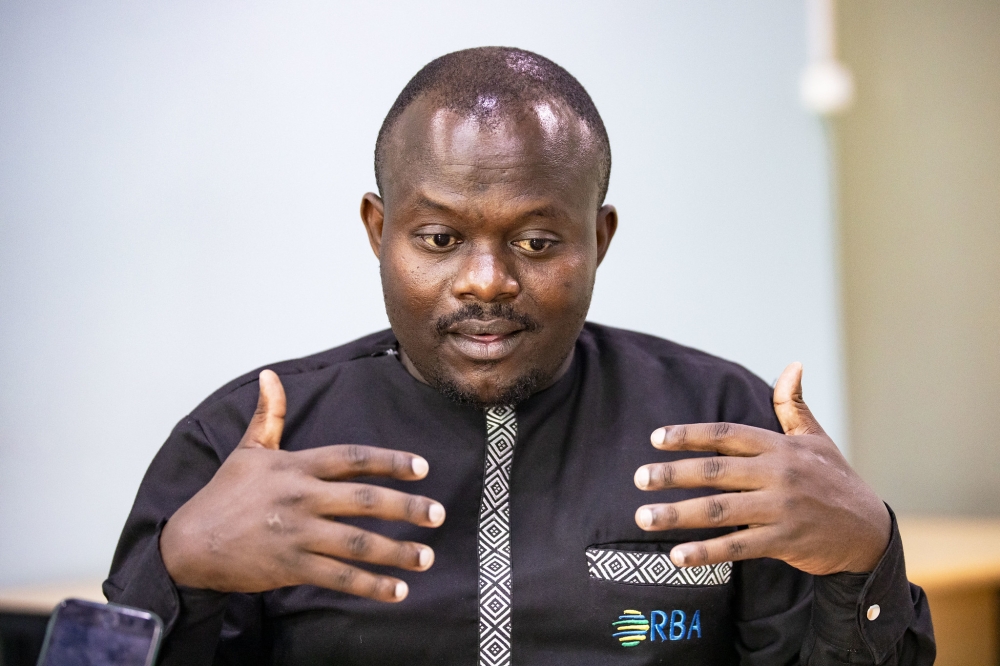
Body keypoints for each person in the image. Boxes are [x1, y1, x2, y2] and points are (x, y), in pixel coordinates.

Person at [105, 47, 934, 665]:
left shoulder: (722, 427)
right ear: (377, 231)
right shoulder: (247, 444)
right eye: (439, 237)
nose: (488, 281)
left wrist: (864, 556)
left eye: (538, 241)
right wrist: (178, 573)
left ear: (599, 239)